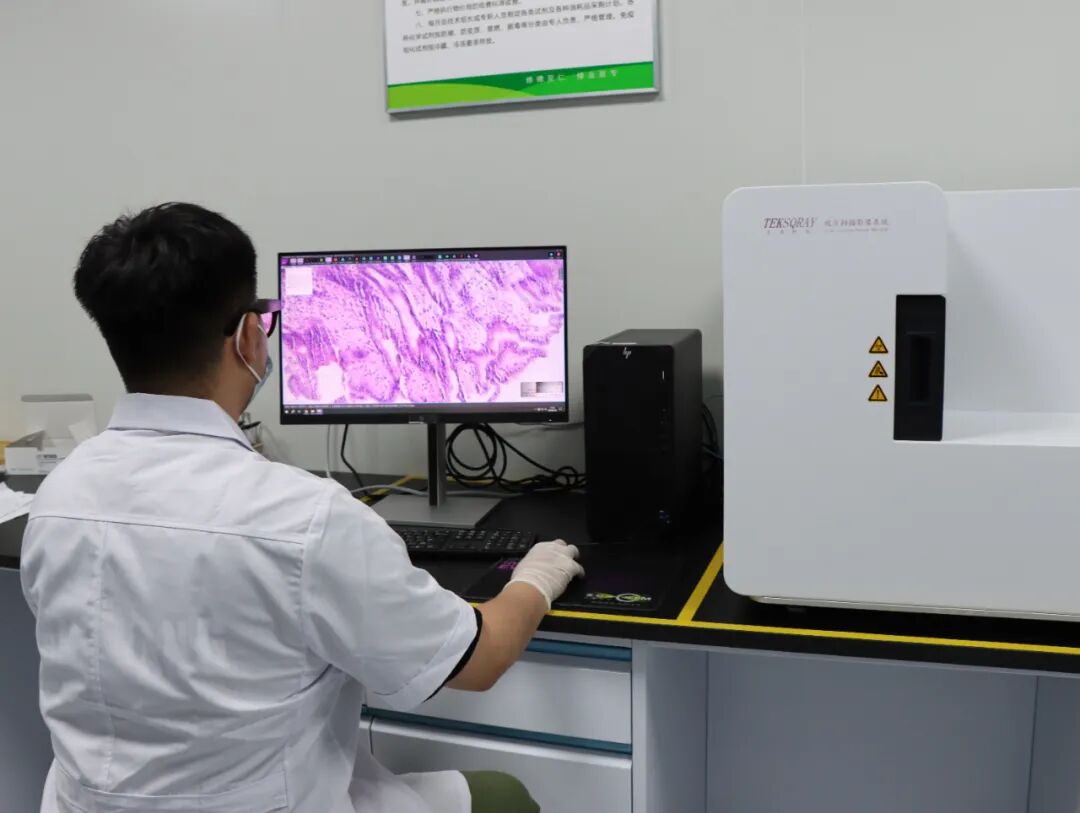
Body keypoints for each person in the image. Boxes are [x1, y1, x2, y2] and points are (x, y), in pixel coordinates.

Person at [19, 202, 584, 813]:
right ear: (249, 336)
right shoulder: (304, 519)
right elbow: (479, 660)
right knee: (506, 797)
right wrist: (536, 578)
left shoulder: (59, 497)